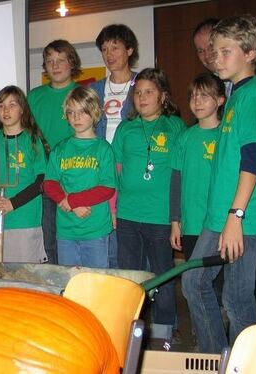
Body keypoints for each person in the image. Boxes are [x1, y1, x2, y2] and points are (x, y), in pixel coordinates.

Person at [182, 14, 256, 353]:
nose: (216, 58)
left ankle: (245, 362)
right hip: (222, 213)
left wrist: (235, 217)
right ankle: (216, 355)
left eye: (226, 51)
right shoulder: (238, 95)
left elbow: (252, 159)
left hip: (241, 215)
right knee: (194, 281)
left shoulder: (254, 95)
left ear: (251, 52)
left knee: (237, 298)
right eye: (215, 51)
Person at [113, 68, 185, 349]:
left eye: (149, 92)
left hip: (160, 218)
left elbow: (181, 173)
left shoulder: (175, 126)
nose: (142, 97)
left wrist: (177, 218)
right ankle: (130, 328)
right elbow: (117, 171)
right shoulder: (125, 128)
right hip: (128, 216)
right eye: (138, 92)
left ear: (163, 96)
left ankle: (167, 331)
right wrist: (115, 210)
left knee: (163, 275)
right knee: (130, 278)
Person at [43, 86, 116, 268]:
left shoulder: (104, 149)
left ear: (94, 113)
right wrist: (66, 201)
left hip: (95, 231)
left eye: (82, 111)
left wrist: (74, 200)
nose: (76, 117)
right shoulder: (60, 149)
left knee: (96, 284)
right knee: (71, 284)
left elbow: (107, 188)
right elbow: (49, 183)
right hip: (66, 232)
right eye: (71, 112)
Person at [89, 24, 139, 269]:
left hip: (133, 169)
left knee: (131, 233)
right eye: (105, 49)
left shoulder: (144, 84)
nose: (109, 55)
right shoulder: (94, 90)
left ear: (129, 50)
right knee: (105, 231)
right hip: (102, 170)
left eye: (115, 48)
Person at [27, 39, 81, 265]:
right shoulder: (33, 96)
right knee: (48, 239)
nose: (55, 65)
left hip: (75, 178)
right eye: (50, 61)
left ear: (72, 63)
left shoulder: (81, 94)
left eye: (61, 60)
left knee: (73, 239)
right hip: (42, 179)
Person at [0, 86, 48, 263]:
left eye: (12, 105)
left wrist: (13, 203)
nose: (6, 110)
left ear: (22, 109)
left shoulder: (32, 140)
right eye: (1, 105)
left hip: (25, 219)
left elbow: (41, 181)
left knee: (24, 276)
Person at [170, 73, 225, 260]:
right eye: (193, 96)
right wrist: (175, 222)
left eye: (204, 95)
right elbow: (176, 184)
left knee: (218, 283)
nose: (197, 101)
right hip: (192, 223)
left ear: (219, 100)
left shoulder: (227, 136)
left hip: (220, 223)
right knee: (192, 280)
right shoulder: (184, 138)